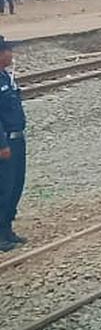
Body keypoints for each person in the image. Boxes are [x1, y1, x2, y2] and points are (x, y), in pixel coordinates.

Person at [0, 35, 27, 252]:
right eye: (8, 51)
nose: (11, 54)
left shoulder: (6, 77)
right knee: (3, 188)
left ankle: (7, 228)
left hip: (17, 139)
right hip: (5, 143)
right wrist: (2, 145)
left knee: (16, 185)